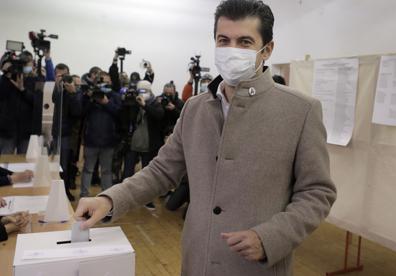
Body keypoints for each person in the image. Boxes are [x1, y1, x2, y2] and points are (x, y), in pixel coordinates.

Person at [75, 1, 336, 275]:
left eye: (245, 41)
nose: (232, 49)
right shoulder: (195, 108)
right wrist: (110, 199)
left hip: (257, 266)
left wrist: (272, 237)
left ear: (267, 49)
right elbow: (162, 171)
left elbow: (317, 192)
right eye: (224, 40)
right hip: (197, 260)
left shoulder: (300, 111)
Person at [122, 80, 164, 210]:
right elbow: (126, 118)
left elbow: (159, 115)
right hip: (133, 143)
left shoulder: (155, 102)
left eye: (145, 90)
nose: (142, 93)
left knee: (148, 174)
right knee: (128, 171)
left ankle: (148, 199)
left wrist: (145, 105)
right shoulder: (133, 102)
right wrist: (130, 103)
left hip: (149, 144)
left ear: (150, 90)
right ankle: (123, 197)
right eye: (140, 90)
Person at [80, 72, 121, 198]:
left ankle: (106, 196)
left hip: (109, 140)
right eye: (103, 82)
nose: (105, 85)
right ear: (97, 83)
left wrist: (106, 103)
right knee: (88, 170)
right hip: (91, 139)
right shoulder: (90, 96)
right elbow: (81, 112)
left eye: (108, 82)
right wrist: (91, 98)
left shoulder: (115, 96)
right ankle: (84, 195)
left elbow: (119, 113)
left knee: (106, 171)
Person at [51, 63, 82, 201]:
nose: (62, 78)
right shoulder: (58, 90)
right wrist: (57, 85)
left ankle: (65, 191)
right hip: (57, 132)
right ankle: (56, 190)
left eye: (64, 75)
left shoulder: (74, 90)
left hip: (68, 134)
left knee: (65, 164)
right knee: (56, 165)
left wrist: (73, 93)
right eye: (59, 75)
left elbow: (77, 112)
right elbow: (54, 100)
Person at [0, 52, 35, 154]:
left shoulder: (34, 80)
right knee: (3, 162)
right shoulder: (7, 79)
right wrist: (6, 74)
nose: (24, 67)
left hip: (26, 131)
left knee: (24, 163)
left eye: (27, 63)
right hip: (7, 130)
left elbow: (37, 102)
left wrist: (23, 89)